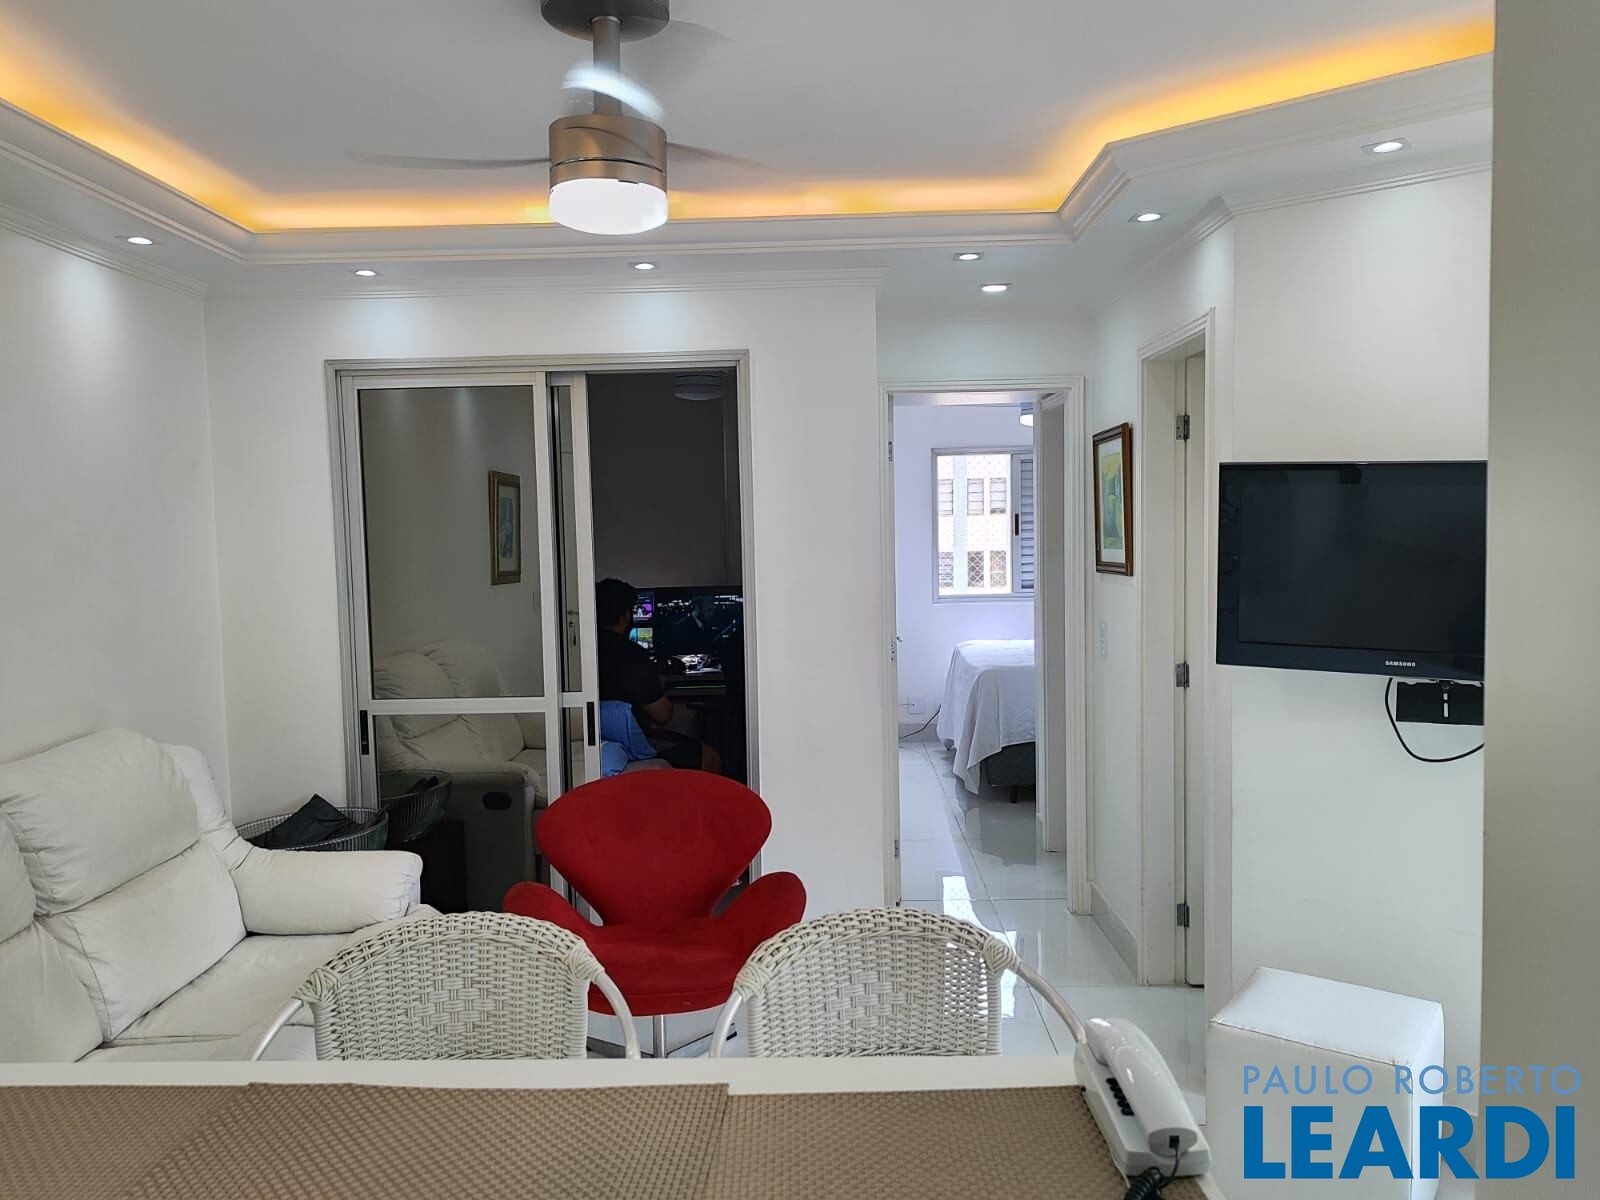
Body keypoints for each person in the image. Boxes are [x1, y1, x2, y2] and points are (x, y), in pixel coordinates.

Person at [595, 577, 721, 773]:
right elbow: (663, 714)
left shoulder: (583, 651)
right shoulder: (630, 655)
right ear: (625, 615)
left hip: (600, 739)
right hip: (632, 744)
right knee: (710, 757)